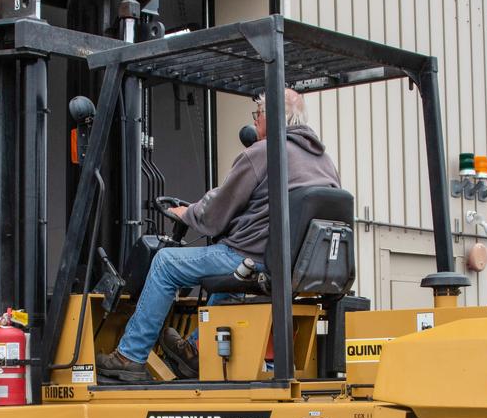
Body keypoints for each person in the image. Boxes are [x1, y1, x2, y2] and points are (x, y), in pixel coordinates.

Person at [98, 88, 340, 383]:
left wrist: (186, 213)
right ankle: (198, 350)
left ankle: (130, 355)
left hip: (253, 257)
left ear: (270, 117)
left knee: (165, 263)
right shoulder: (324, 161)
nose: (256, 121)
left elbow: (216, 211)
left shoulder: (264, 152)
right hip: (298, 266)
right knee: (231, 279)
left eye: (258, 114)